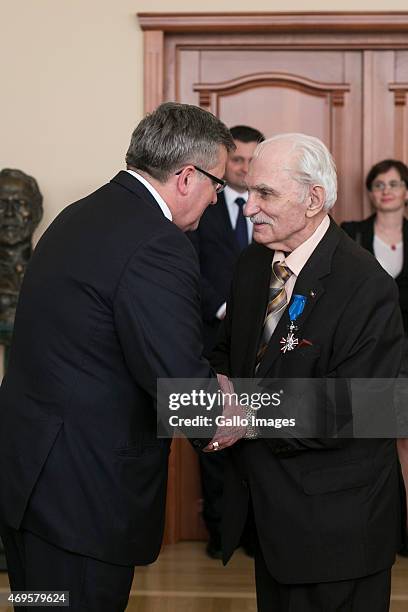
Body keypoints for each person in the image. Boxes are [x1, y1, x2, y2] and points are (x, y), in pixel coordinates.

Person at [0, 102, 235, 612]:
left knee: (39, 604)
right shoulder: (157, 243)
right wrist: (218, 418)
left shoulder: (80, 213)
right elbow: (174, 377)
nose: (218, 200)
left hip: (30, 486)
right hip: (81, 505)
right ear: (187, 176)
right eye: (218, 185)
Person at [209, 133, 406, 611]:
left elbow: (365, 407)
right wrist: (210, 397)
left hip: (338, 530)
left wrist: (248, 414)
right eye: (249, 190)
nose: (249, 206)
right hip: (270, 522)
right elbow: (225, 355)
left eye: (266, 194)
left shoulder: (365, 284)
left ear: (314, 199)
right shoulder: (253, 263)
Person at [188, 124, 264, 559]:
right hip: (208, 337)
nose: (243, 168)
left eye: (252, 160)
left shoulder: (268, 207)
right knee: (214, 438)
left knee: (256, 434)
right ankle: (220, 536)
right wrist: (222, 307)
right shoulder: (203, 205)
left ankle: (255, 534)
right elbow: (184, 264)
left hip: (262, 343)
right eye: (237, 160)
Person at [341, 159, 408, 557]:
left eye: (394, 183)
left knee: (405, 442)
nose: (386, 190)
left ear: (405, 191)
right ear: (370, 192)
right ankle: (377, 531)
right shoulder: (352, 235)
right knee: (367, 440)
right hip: (366, 354)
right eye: (379, 184)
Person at [0, 168, 43, 325]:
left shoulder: (51, 270)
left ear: (37, 213)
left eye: (20, 204)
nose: (10, 214)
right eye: (1, 204)